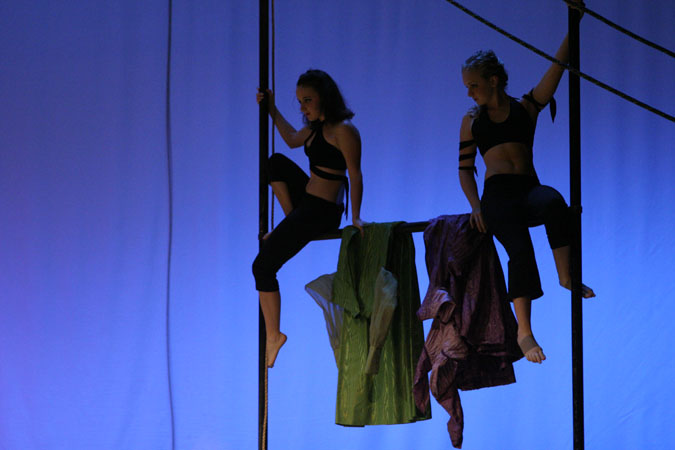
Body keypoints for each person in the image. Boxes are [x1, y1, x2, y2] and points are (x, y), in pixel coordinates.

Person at [457, 16, 595, 364]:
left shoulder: (526, 108)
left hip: (527, 188)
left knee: (553, 202)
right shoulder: (472, 121)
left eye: (473, 85)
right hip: (497, 196)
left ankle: (566, 276)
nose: (470, 93)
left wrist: (574, 22)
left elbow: (557, 68)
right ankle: (524, 332)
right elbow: (465, 170)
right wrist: (475, 206)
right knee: (521, 252)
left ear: (493, 80)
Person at [253, 69, 365, 368]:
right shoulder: (315, 130)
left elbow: (355, 174)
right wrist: (271, 108)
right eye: (300, 101)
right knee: (275, 163)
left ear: (324, 98)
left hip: (322, 211)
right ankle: (289, 226)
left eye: (308, 101)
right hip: (306, 206)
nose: (303, 108)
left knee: (262, 266)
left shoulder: (344, 131)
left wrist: (356, 216)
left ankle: (274, 335)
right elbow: (291, 139)